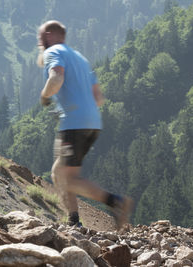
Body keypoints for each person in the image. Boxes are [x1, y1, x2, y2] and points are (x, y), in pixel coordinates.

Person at [37, 20, 132, 229]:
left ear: (51, 36)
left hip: (74, 123)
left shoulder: (53, 52)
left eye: (41, 37)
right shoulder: (80, 58)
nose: (39, 42)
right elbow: (98, 97)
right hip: (92, 122)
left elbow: (56, 78)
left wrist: (45, 96)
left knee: (67, 179)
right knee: (58, 173)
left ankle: (116, 202)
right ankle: (73, 220)